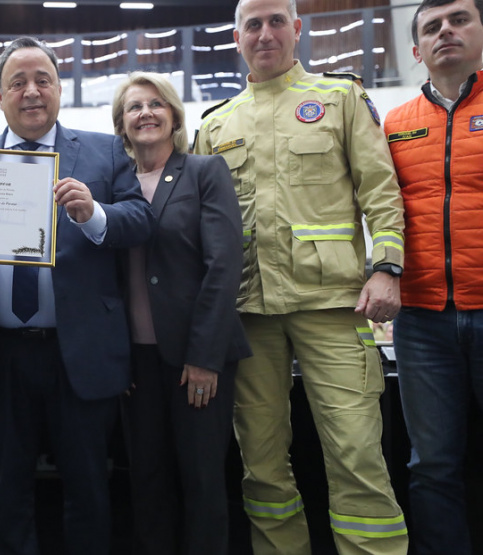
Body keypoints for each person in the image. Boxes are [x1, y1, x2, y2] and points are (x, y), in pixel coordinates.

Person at [193, 0, 409, 552]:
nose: (265, 34)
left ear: (296, 29)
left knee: (357, 455)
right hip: (249, 316)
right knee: (261, 465)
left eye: (276, 22)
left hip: (333, 306)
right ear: (237, 38)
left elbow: (380, 190)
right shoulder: (215, 124)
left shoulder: (340, 99)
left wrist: (387, 267)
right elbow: (198, 225)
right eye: (253, 25)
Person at [0, 36, 154, 555]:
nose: (31, 91)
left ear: (59, 89)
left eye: (42, 80)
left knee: (89, 488)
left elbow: (140, 219)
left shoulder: (104, 150)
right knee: (5, 491)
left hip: (80, 352)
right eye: (18, 82)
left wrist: (94, 213)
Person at [112, 72, 251, 555]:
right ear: (121, 124)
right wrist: (116, 357)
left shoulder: (204, 171)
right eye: (134, 107)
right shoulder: (113, 183)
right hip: (136, 362)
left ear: (174, 116)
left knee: (202, 480)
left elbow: (224, 265)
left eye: (156, 104)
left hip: (197, 359)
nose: (145, 113)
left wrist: (205, 357)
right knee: (147, 480)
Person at [383, 0, 483, 551]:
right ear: (417, 51)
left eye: (459, 19)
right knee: (432, 464)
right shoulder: (395, 125)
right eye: (431, 27)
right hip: (421, 320)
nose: (446, 31)